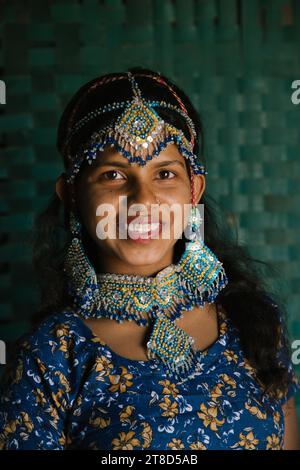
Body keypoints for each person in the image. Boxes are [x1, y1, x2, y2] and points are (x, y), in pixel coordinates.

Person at [0, 67, 299, 450]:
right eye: (113, 174)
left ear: (194, 190)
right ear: (72, 195)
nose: (143, 201)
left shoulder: (255, 320)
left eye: (164, 173)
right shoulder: (53, 355)